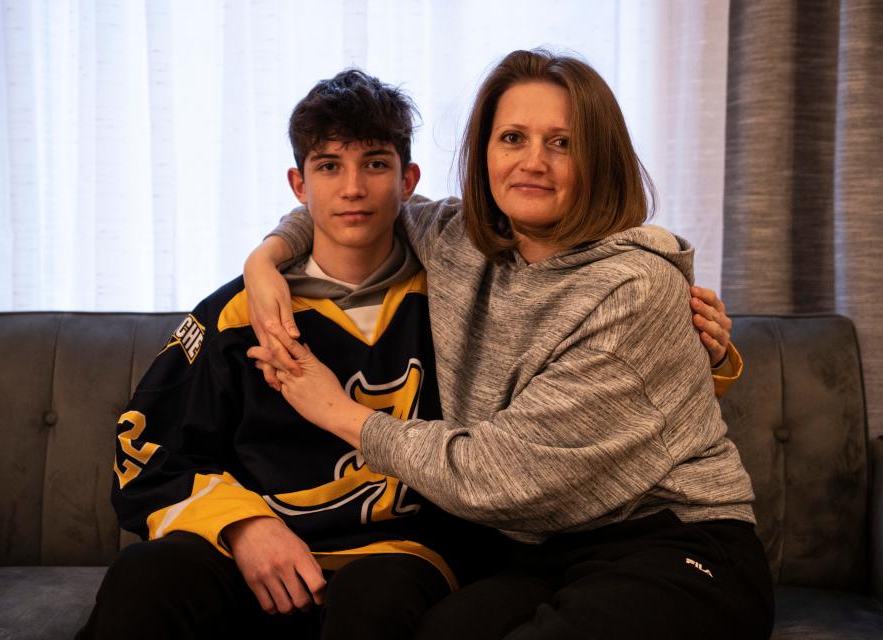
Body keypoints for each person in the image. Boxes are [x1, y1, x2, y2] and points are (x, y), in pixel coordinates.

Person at [244, 49, 773, 639]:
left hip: (673, 540)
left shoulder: (633, 290)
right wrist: (266, 257)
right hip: (543, 553)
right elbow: (367, 202)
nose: (533, 163)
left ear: (600, 158)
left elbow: (496, 475)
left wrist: (334, 410)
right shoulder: (463, 242)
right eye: (513, 138)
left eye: (562, 143)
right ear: (485, 153)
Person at [78, 69, 504, 640]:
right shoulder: (236, 313)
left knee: (374, 604)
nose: (352, 187)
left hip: (398, 552)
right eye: (329, 166)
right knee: (145, 577)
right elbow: (146, 452)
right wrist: (241, 524)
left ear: (408, 180)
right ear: (299, 186)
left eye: (375, 164)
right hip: (260, 546)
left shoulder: (452, 299)